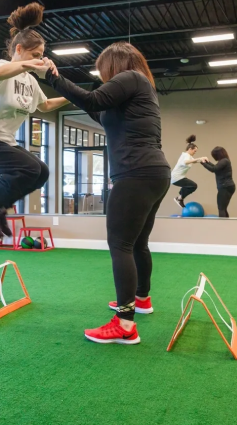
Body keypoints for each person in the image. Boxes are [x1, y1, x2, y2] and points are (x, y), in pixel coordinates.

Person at [39, 41, 170, 345]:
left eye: (103, 70)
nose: (102, 76)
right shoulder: (142, 87)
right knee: (137, 243)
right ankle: (141, 300)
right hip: (153, 172)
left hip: (136, 173)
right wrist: (67, 89)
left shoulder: (131, 78)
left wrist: (53, 78)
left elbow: (94, 99)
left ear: (115, 64)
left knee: (120, 244)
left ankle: (124, 324)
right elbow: (97, 109)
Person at [0, 3, 69, 239]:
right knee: (28, 168)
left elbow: (45, 105)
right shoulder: (1, 67)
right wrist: (30, 64)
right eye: (34, 55)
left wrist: (76, 96)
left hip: (3, 142)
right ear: (19, 49)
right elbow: (0, 73)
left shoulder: (31, 82)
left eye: (41, 56)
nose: (38, 60)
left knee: (41, 172)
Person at [170, 135, 206, 208]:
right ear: (190, 149)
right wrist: (200, 158)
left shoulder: (189, 156)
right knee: (193, 185)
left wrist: (202, 160)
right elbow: (186, 162)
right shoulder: (186, 155)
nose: (195, 153)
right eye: (194, 151)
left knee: (190, 185)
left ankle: (180, 198)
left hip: (179, 177)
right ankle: (179, 198)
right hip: (176, 177)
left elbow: (193, 161)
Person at [200, 147, 235, 218]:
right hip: (227, 186)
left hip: (225, 187)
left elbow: (214, 169)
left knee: (221, 208)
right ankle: (226, 225)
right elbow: (216, 167)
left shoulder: (224, 161)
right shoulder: (225, 161)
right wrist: (207, 162)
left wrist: (203, 163)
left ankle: (222, 226)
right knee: (223, 208)